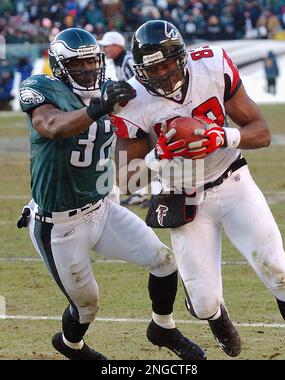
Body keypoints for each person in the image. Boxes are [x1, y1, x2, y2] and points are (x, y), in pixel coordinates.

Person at [111, 20, 285, 357]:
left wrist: (219, 135)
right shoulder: (133, 101)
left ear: (182, 57)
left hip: (232, 179)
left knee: (279, 272)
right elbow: (126, 179)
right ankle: (216, 316)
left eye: (168, 64)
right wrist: (157, 156)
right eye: (153, 69)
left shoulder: (212, 64)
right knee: (203, 301)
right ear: (140, 70)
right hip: (184, 194)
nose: (164, 75)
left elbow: (262, 132)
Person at [17, 27, 206, 361]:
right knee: (87, 306)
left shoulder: (109, 90)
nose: (89, 69)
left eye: (93, 61)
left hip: (101, 207)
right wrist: (98, 109)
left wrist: (160, 160)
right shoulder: (41, 89)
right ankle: (70, 344)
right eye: (79, 64)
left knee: (163, 262)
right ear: (60, 66)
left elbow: (132, 137)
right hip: (59, 224)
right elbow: (52, 126)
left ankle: (162, 327)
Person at [99, 30, 153, 207]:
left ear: (117, 46)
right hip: (137, 114)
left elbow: (141, 86)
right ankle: (141, 193)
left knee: (154, 153)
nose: (105, 49)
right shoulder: (120, 61)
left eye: (107, 46)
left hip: (144, 114)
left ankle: (155, 193)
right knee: (138, 156)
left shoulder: (129, 60)